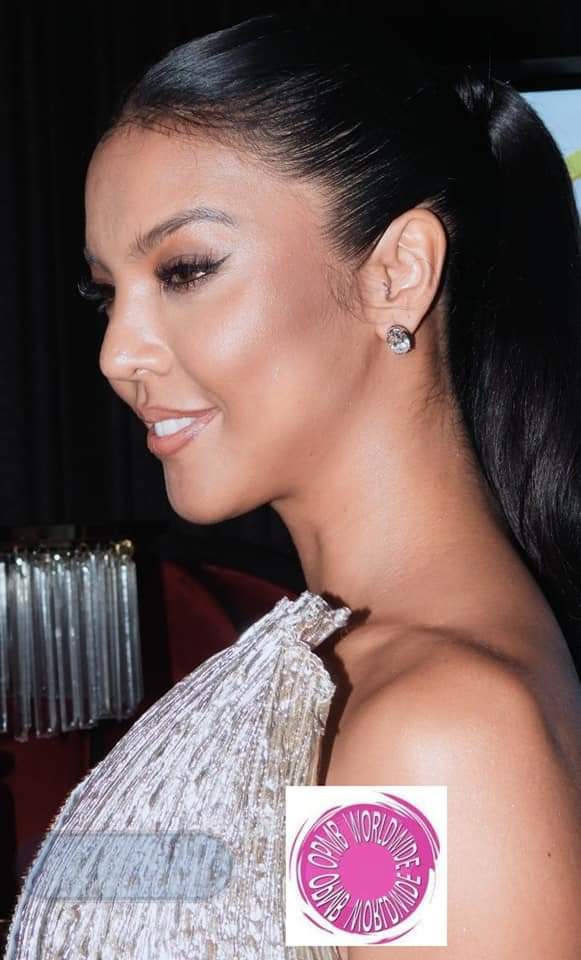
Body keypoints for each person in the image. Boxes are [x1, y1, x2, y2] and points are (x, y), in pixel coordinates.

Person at [6, 10, 581, 959]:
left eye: (185, 270)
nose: (117, 353)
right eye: (108, 294)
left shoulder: (434, 727)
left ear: (397, 273)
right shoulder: (350, 678)